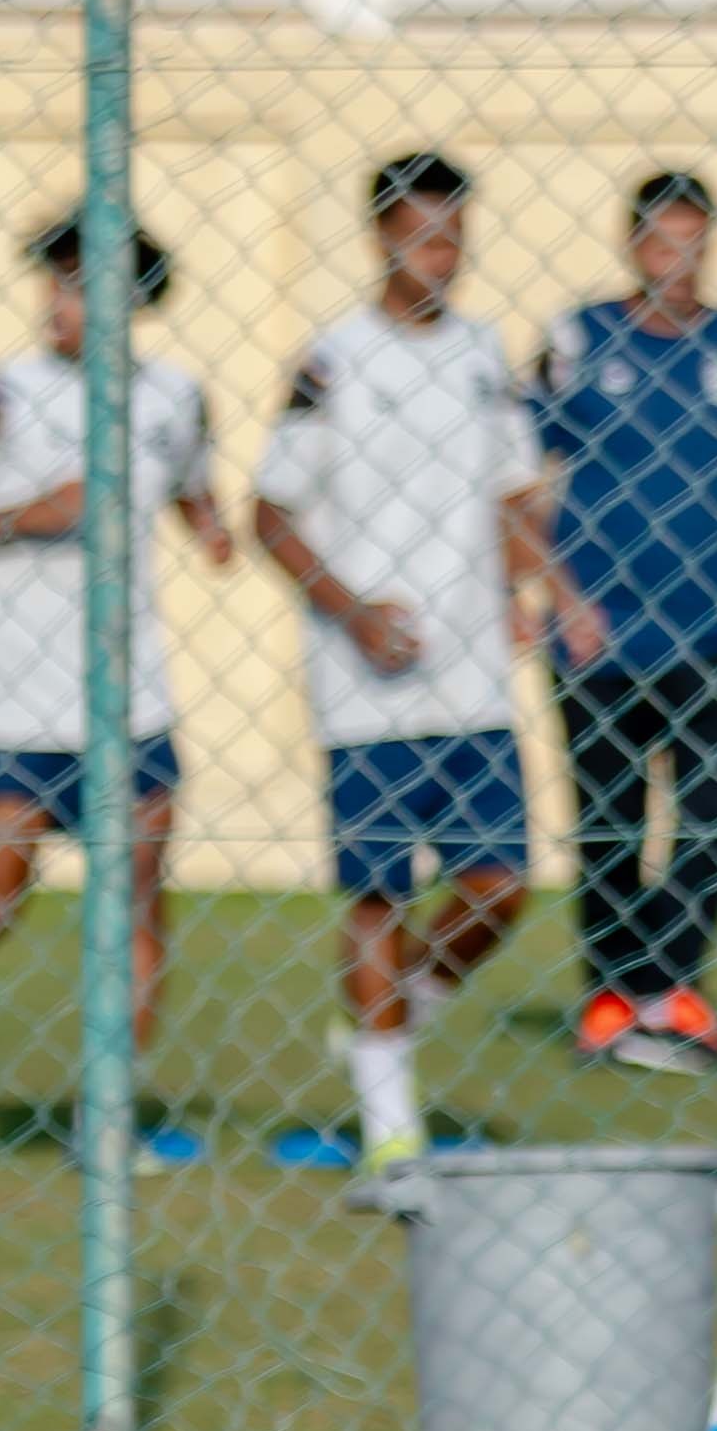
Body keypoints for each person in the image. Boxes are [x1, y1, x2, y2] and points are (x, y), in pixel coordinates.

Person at [0, 212, 237, 1157]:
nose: (62, 304)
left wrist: (212, 528)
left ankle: (105, 1121)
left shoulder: (173, 397)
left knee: (140, 901)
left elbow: (188, 486)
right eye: (55, 285)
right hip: (17, 702)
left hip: (130, 697)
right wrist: (31, 514)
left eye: (85, 285)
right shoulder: (2, 398)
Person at [256, 151, 600, 1176]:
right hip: (366, 682)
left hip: (470, 676)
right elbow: (268, 512)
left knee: (501, 887)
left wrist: (558, 589)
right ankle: (391, 1124)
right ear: (381, 238)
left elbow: (507, 495)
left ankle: (388, 1022)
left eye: (454, 235)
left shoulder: (485, 355)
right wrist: (352, 610)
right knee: (378, 895)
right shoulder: (333, 363)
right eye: (420, 234)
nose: (440, 254)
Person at [531, 170, 717, 1076]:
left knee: (707, 819)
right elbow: (527, 475)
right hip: (599, 631)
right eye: (661, 243)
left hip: (714, 624)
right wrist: (537, 589)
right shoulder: (577, 340)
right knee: (609, 819)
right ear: (632, 245)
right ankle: (614, 994)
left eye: (694, 244)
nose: (677, 262)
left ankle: (673, 989)